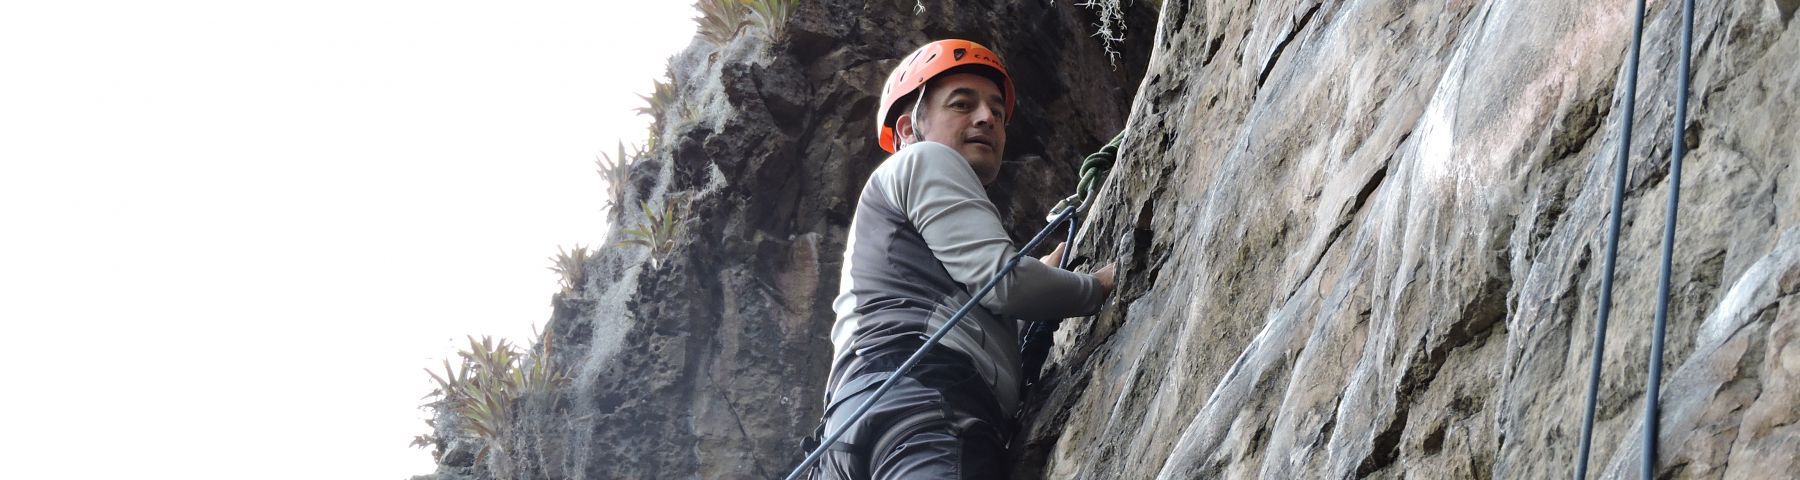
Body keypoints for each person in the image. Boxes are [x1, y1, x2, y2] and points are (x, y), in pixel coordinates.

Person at [810, 39, 1116, 480]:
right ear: (907, 130)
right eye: (962, 104)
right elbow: (1004, 284)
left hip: (854, 428)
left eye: (997, 111)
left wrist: (1039, 286)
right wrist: (1098, 285)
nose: (987, 117)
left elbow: (968, 310)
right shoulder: (924, 158)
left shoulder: (896, 222)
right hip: (922, 405)